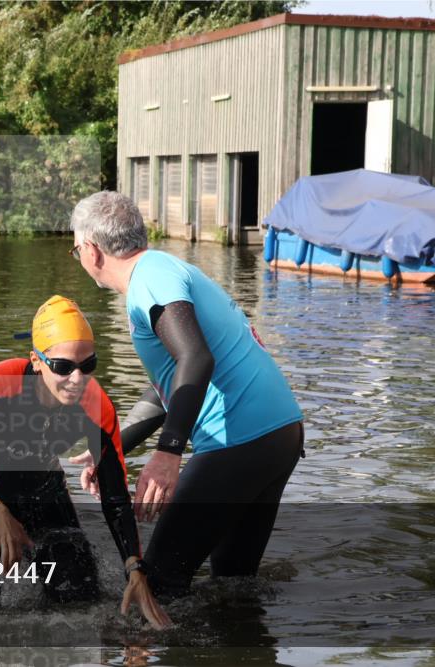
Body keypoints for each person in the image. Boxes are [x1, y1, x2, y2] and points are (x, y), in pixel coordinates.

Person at [68, 191, 304, 598]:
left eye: (76, 249)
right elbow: (172, 380)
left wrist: (168, 454)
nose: (80, 258)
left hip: (240, 440)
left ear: (91, 249)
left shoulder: (149, 281)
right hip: (279, 433)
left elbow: (195, 359)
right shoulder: (162, 269)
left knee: (156, 582)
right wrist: (115, 446)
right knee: (233, 584)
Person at [0, 295, 171, 630]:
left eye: (88, 366)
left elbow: (115, 497)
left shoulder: (95, 403)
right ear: (37, 360)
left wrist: (134, 567)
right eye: (63, 367)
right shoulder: (0, 383)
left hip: (44, 492)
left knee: (80, 597)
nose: (77, 379)